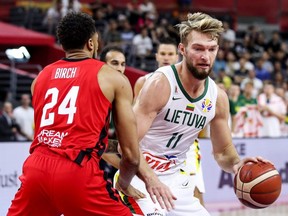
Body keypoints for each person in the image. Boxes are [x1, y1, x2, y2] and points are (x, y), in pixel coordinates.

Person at [125, 12, 268, 216]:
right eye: (198, 48)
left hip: (175, 182)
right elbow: (128, 144)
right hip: (140, 177)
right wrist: (150, 178)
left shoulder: (217, 97)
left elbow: (223, 151)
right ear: (182, 49)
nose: (205, 56)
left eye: (211, 49)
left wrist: (237, 164)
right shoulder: (160, 84)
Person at [7, 12, 141, 216]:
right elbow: (130, 155)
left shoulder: (40, 79)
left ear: (63, 45)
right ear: (91, 43)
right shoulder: (112, 78)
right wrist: (123, 182)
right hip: (76, 171)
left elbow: (63, 131)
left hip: (37, 168)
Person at [133, 37, 206, 206]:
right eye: (163, 54)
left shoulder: (190, 82)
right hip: (153, 147)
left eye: (170, 54)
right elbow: (133, 119)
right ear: (157, 56)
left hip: (185, 148)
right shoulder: (144, 82)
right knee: (151, 195)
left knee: (194, 191)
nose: (166, 57)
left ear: (178, 55)